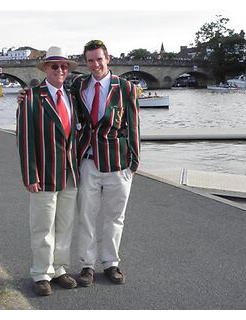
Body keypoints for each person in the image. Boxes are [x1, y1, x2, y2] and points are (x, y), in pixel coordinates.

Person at [73, 40, 140, 287]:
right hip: (88, 161)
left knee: (115, 217)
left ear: (108, 58)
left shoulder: (125, 88)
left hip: (118, 162)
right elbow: (52, 91)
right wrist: (27, 97)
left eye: (99, 59)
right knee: (86, 216)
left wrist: (133, 162)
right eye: (90, 60)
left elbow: (134, 127)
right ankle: (87, 265)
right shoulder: (78, 85)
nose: (95, 64)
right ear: (86, 62)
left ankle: (111, 263)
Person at [16, 46, 79, 296]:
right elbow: (25, 140)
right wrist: (30, 175)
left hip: (70, 173)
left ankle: (60, 269)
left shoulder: (72, 96)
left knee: (65, 226)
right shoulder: (30, 97)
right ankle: (41, 273)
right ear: (45, 69)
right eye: (55, 66)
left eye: (64, 66)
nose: (60, 70)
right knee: (42, 227)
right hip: (43, 173)